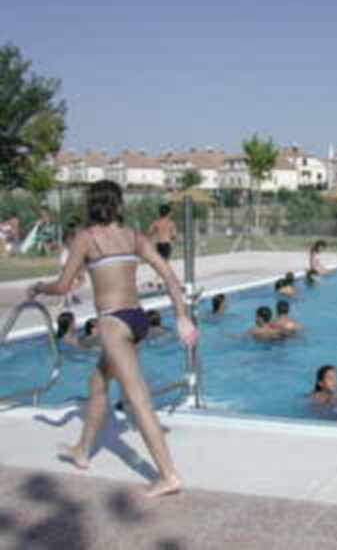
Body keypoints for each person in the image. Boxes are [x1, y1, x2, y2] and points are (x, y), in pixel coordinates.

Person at [26, 180, 197, 498]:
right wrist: (181, 315)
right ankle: (82, 450)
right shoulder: (134, 236)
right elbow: (170, 276)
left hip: (114, 323)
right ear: (119, 205)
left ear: (90, 204)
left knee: (137, 398)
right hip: (137, 319)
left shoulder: (85, 238)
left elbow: (63, 286)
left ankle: (168, 475)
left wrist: (39, 286)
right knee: (98, 383)